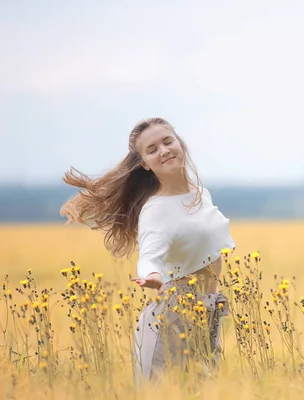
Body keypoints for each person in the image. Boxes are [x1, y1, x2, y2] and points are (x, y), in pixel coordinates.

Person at [59, 117, 236, 384]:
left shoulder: (201, 193)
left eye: (168, 141)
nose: (164, 150)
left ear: (180, 143)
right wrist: (153, 275)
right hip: (174, 317)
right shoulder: (155, 210)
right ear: (145, 163)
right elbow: (149, 255)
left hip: (208, 310)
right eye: (152, 150)